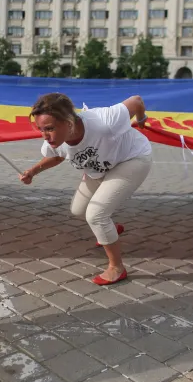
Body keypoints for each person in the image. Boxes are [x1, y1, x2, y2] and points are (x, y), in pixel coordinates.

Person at [19, 93, 152, 285]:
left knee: (96, 215)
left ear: (68, 122)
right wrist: (32, 171)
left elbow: (137, 101)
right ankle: (110, 229)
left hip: (132, 158)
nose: (44, 136)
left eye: (49, 128)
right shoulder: (55, 141)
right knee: (79, 210)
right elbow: (57, 156)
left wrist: (141, 120)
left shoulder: (104, 120)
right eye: (40, 129)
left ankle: (117, 267)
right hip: (99, 167)